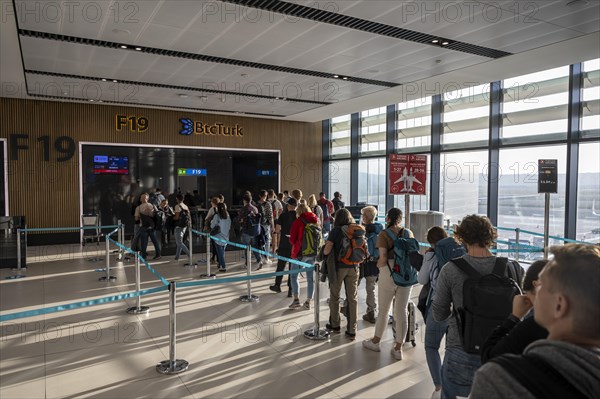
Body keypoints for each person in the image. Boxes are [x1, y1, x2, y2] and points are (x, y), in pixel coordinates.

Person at [470, 244, 600, 399]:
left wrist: (514, 318)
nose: (537, 292)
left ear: (559, 305)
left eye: (542, 286)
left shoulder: (499, 381)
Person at [431, 214, 524, 399]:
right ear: (490, 237)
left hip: (461, 349)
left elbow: (439, 313)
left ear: (461, 238)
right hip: (502, 351)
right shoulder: (513, 268)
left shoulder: (450, 270)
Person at [362, 208, 415, 360]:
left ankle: (376, 342)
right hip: (406, 274)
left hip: (389, 271)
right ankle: (398, 348)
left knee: (384, 310)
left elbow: (383, 258)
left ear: (388, 218)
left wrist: (379, 267)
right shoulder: (408, 233)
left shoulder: (384, 234)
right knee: (401, 310)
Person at [480, 260, 549, 363]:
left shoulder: (534, 326)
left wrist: (514, 318)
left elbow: (490, 357)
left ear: (537, 285)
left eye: (528, 296)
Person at [418, 226, 451, 398]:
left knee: (432, 346)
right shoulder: (458, 251)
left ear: (431, 241)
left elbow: (422, 279)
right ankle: (448, 384)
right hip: (458, 306)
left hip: (438, 304)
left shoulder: (432, 254)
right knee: (451, 347)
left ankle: (439, 387)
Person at [323, 208, 361, 340]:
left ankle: (335, 325)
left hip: (338, 268)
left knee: (335, 296)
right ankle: (352, 330)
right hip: (355, 267)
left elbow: (327, 250)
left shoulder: (336, 231)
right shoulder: (357, 230)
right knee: (353, 298)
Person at [288, 203, 319, 310]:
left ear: (299, 212)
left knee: (294, 276)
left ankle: (296, 300)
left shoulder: (297, 222)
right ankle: (308, 302)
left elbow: (292, 240)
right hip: (312, 253)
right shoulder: (315, 220)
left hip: (299, 254)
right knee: (310, 279)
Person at [359, 205, 383, 324]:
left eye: (363, 215)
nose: (362, 217)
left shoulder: (365, 231)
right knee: (372, 287)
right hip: (378, 262)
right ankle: (373, 310)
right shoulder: (380, 230)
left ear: (367, 217)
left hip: (367, 262)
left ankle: (371, 311)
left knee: (369, 287)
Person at [269, 197, 297, 297]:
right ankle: (291, 289)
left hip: (284, 244)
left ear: (288, 206)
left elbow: (277, 229)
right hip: (294, 245)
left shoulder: (283, 215)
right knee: (292, 267)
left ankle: (277, 285)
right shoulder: (298, 216)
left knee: (281, 265)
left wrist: (280, 232)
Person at [237, 193, 262, 265]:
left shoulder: (243, 209)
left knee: (247, 247)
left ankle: (247, 262)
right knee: (255, 246)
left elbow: (239, 219)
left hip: (246, 230)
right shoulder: (255, 208)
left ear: (244, 200)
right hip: (255, 231)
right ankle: (259, 259)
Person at [136, 193, 161, 260]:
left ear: (141, 199)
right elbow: (154, 216)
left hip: (144, 226)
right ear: (147, 199)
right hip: (151, 226)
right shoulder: (151, 205)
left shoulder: (138, 208)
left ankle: (144, 256)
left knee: (144, 242)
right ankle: (158, 254)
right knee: (155, 241)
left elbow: (136, 218)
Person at [210, 202, 231, 272]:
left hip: (218, 237)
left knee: (220, 253)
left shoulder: (217, 216)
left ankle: (223, 266)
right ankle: (220, 264)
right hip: (226, 237)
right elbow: (229, 226)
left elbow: (212, 226)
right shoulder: (228, 216)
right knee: (222, 252)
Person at [173, 194, 190, 261]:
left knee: (179, 243)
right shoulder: (185, 206)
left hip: (178, 226)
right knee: (179, 242)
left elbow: (177, 217)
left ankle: (189, 254)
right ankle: (177, 257)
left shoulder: (177, 206)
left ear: (177, 199)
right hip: (184, 226)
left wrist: (172, 217)